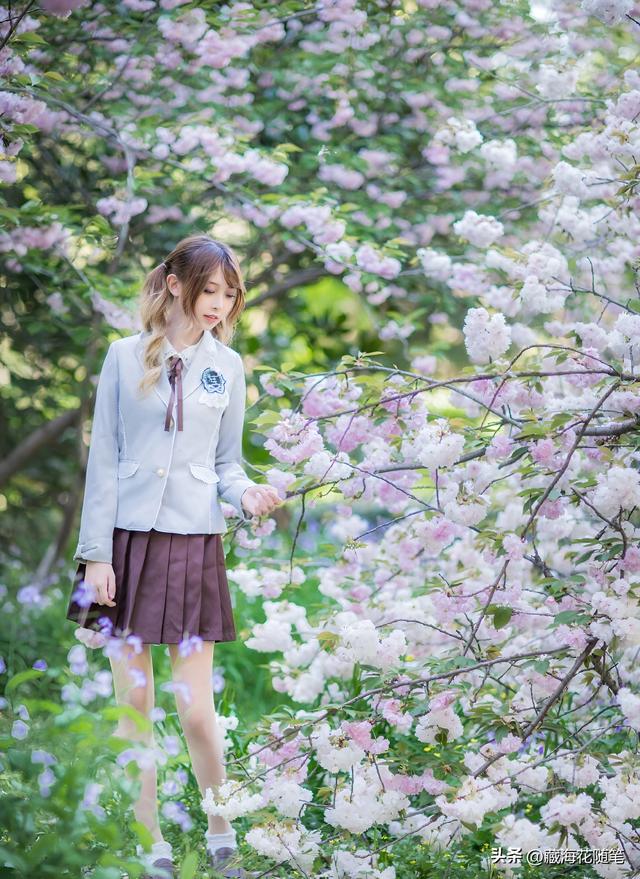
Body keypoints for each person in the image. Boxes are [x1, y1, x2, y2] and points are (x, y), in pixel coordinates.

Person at [65, 234, 281, 879]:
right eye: (209, 289)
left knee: (195, 711)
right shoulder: (122, 356)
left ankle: (221, 832)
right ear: (177, 284)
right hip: (122, 548)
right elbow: (103, 460)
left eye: (230, 293)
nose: (219, 304)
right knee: (133, 705)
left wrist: (248, 494)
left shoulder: (229, 367)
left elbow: (226, 465)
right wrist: (95, 555)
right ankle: (148, 842)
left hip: (193, 547)